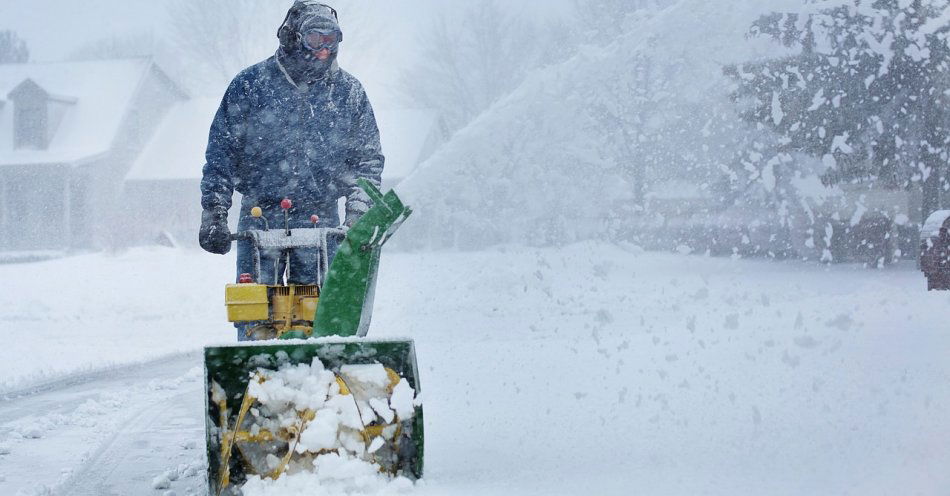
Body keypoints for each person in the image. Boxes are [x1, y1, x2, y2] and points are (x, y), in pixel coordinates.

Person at [198, 1, 383, 338]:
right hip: (259, 214)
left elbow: (367, 162)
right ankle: (255, 368)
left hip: (321, 218)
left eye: (333, 40)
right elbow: (220, 153)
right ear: (293, 37)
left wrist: (358, 214)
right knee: (255, 313)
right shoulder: (251, 85)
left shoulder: (348, 93)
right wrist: (214, 211)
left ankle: (316, 379)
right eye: (316, 37)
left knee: (319, 316)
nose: (325, 49)